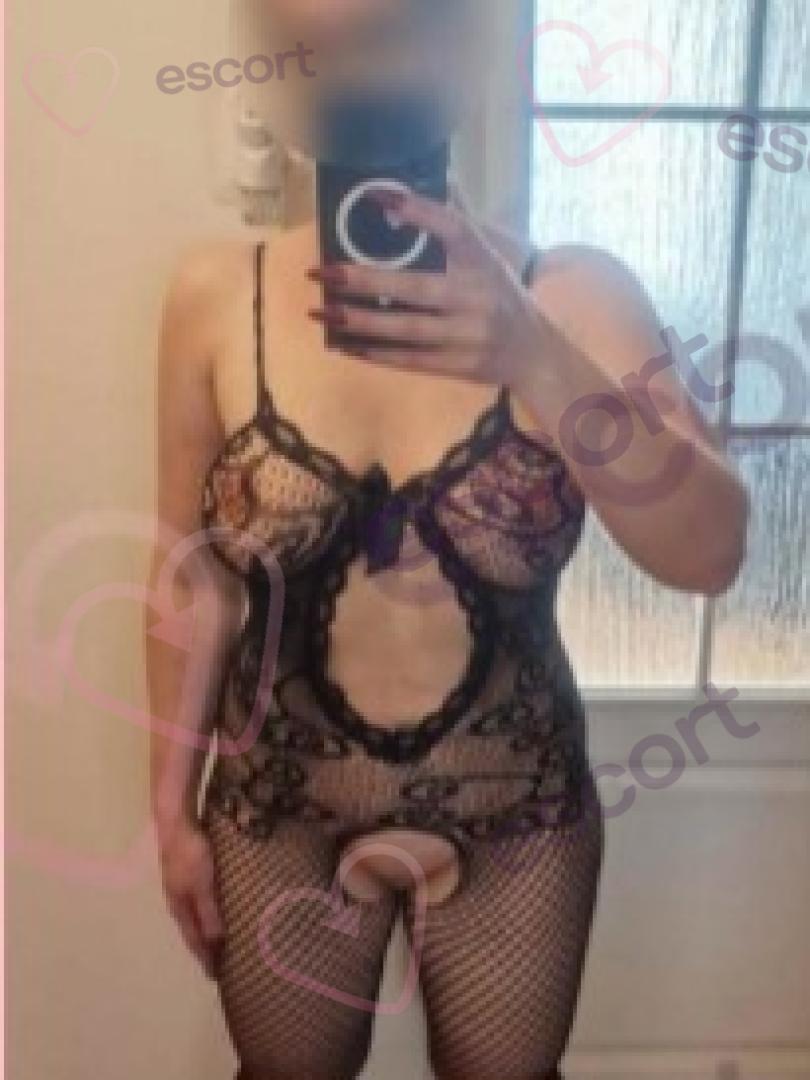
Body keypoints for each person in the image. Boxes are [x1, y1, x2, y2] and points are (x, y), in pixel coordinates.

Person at [145, 3, 749, 1078]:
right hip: (280, 804)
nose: (361, 76)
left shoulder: (575, 296)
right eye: (323, 49)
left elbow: (712, 550)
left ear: (458, 59)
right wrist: (169, 807)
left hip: (515, 809)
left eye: (393, 37)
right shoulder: (213, 297)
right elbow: (189, 582)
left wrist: (533, 355)